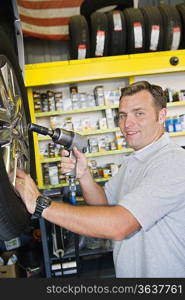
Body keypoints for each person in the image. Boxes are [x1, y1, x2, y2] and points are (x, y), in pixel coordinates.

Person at [16, 81, 185, 278]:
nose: (127, 124)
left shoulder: (173, 162)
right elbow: (104, 203)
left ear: (161, 115)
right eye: (122, 115)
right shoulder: (134, 161)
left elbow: (119, 225)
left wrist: (41, 204)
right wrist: (84, 175)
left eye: (139, 113)